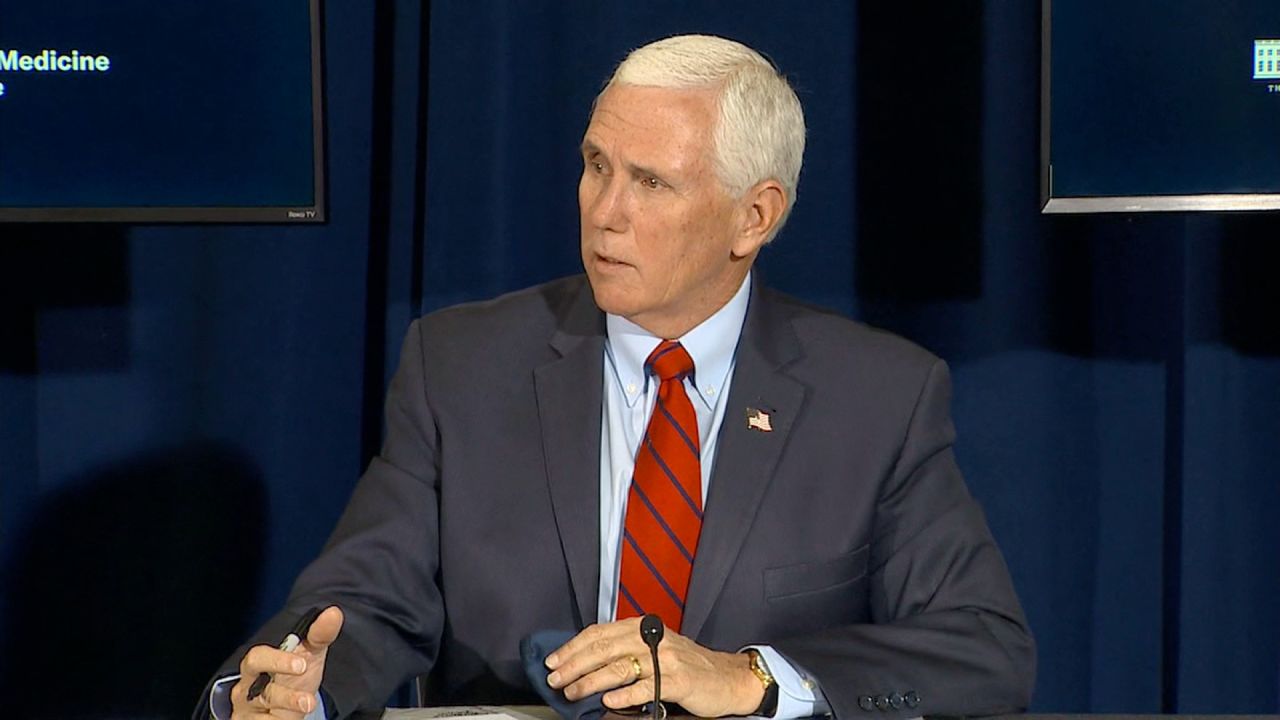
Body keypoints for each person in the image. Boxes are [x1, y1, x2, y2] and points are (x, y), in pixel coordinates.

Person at [200, 34, 1034, 720]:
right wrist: (298, 694)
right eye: (597, 165)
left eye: (651, 182)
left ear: (756, 216)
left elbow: (984, 651)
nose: (605, 210)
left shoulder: (879, 397)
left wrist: (750, 676)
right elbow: (365, 604)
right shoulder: (463, 366)